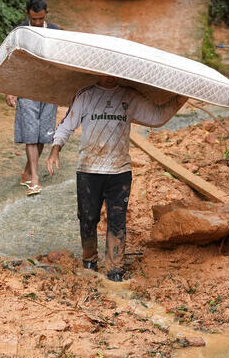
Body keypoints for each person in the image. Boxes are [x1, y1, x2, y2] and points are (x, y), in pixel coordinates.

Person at [46, 75, 185, 281]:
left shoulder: (129, 96)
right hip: (88, 170)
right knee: (87, 218)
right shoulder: (86, 95)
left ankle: (115, 271)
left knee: (117, 221)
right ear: (99, 71)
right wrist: (55, 150)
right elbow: (67, 125)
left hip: (119, 171)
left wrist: (180, 99)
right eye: (106, 73)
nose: (110, 77)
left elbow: (157, 117)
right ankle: (89, 262)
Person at [4, 0, 61, 196]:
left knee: (44, 134)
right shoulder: (19, 33)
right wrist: (9, 89)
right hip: (26, 87)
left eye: (40, 19)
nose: (37, 23)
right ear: (27, 14)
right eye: (33, 19)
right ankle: (34, 179)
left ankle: (28, 171)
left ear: (46, 14)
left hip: (49, 89)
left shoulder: (56, 33)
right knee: (30, 132)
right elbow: (10, 61)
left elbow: (62, 62)